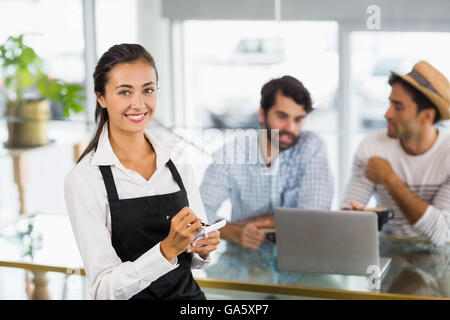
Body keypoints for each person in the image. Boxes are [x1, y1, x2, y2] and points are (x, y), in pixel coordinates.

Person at [64, 44, 220, 300]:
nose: (138, 104)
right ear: (101, 98)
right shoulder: (84, 180)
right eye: (124, 92)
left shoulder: (177, 158)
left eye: (148, 90)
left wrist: (203, 248)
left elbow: (196, 251)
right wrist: (166, 249)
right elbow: (103, 290)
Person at [200, 75, 334, 250]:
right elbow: (200, 212)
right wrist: (236, 233)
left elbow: (314, 217)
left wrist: (256, 222)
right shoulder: (232, 152)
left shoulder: (312, 147)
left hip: (300, 256)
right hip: (245, 261)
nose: (291, 128)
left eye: (298, 119)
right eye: (282, 116)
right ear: (262, 114)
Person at [342, 61, 450, 246]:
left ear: (427, 116)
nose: (387, 114)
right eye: (389, 104)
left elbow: (441, 233)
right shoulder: (371, 146)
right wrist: (356, 219)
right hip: (387, 254)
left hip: (441, 262)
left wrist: (390, 180)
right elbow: (345, 219)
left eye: (398, 107)